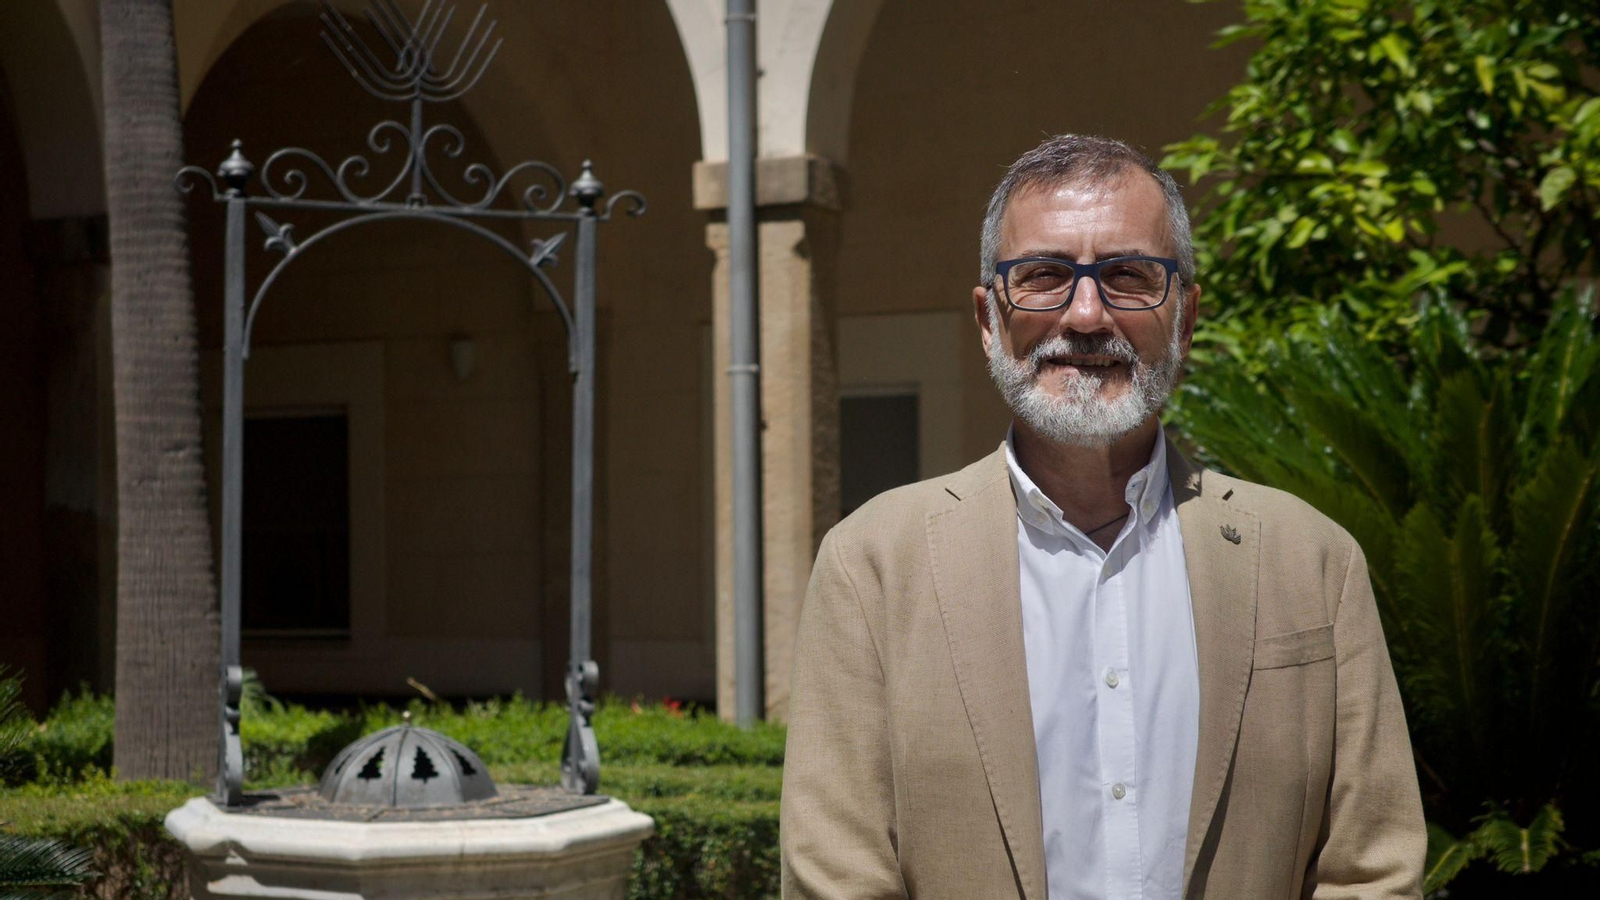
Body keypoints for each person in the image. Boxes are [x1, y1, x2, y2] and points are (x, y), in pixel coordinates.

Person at [779, 134, 1425, 899]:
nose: (1086, 315)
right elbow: (838, 879)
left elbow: (1372, 872)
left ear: (1183, 321)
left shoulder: (1311, 562)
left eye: (1127, 276)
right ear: (990, 320)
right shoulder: (873, 565)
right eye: (1045, 275)